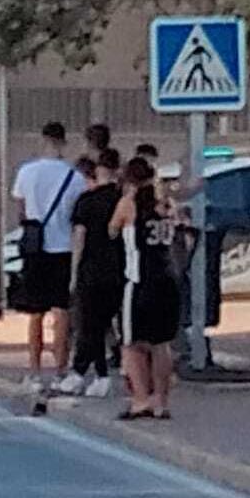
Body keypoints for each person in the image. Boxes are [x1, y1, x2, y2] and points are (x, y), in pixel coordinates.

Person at [12, 122, 85, 392]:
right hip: (62, 247)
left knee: (35, 313)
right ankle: (60, 369)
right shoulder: (74, 177)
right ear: (63, 142)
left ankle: (33, 371)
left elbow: (20, 210)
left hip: (35, 249)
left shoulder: (26, 172)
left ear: (43, 140)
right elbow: (77, 214)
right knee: (61, 311)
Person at [111, 156, 180, 420]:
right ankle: (161, 399)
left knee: (131, 343)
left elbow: (112, 231)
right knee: (161, 343)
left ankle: (141, 398)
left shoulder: (129, 205)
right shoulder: (166, 205)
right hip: (166, 276)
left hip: (139, 281)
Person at [57, 148, 123, 397]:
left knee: (91, 325)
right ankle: (78, 372)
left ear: (97, 171)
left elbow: (79, 239)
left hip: (91, 270)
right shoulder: (122, 201)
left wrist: (73, 274)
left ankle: (101, 375)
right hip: (119, 270)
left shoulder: (86, 202)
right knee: (102, 323)